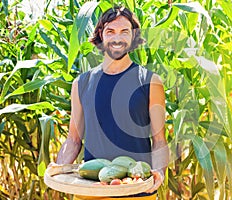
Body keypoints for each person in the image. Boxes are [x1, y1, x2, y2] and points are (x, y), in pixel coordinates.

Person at [50, 6, 169, 200]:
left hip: (136, 190)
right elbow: (73, 140)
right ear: (100, 36)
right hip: (90, 191)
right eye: (110, 31)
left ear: (133, 36)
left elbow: (159, 141)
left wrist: (159, 172)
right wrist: (60, 167)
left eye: (124, 31)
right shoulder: (81, 83)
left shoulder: (149, 81)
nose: (117, 38)